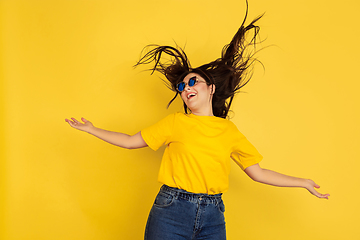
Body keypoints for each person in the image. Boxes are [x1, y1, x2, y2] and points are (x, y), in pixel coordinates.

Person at [65, 4, 329, 240]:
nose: (185, 88)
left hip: (213, 215)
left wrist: (302, 182)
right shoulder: (176, 122)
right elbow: (131, 141)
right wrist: (92, 129)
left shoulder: (228, 131)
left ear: (210, 88)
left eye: (193, 82)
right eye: (182, 86)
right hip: (171, 210)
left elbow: (258, 173)